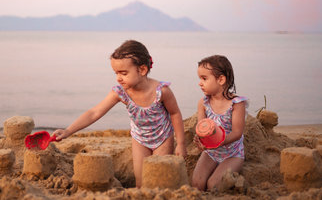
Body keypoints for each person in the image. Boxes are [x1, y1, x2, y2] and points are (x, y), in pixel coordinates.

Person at [53, 40, 187, 188]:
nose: (118, 78)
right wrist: (68, 131)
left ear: (142, 70)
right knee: (141, 181)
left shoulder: (161, 91)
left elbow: (175, 114)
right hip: (139, 139)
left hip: (162, 137)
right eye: (116, 73)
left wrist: (180, 143)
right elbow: (94, 113)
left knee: (158, 178)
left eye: (123, 73)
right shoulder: (120, 92)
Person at [191, 55, 248, 191]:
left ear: (221, 79)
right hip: (211, 153)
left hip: (232, 154)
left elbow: (237, 133)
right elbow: (202, 129)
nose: (200, 83)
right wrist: (201, 141)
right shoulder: (203, 103)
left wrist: (218, 141)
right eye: (200, 78)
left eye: (204, 78)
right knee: (197, 184)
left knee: (213, 185)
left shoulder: (236, 104)